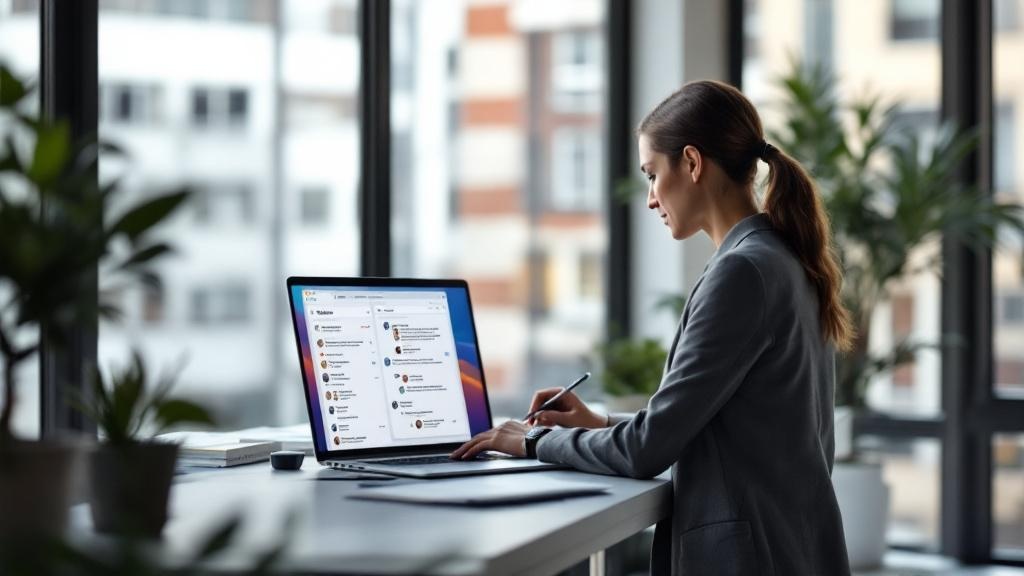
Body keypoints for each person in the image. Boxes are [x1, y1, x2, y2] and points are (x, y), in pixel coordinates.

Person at [451, 80, 852, 575]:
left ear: (692, 163)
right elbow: (722, 425)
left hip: (750, 557)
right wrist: (599, 425)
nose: (649, 199)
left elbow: (647, 450)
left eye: (652, 174)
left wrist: (528, 441)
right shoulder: (780, 257)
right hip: (788, 544)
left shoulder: (743, 272)